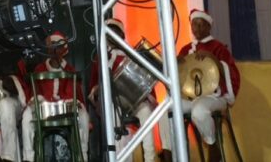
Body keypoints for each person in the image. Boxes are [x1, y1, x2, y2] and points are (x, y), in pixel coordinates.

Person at [159, 9, 239, 162]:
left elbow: (230, 72)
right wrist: (176, 65)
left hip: (215, 97)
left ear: (209, 27)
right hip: (191, 98)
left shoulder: (218, 47)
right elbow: (177, 79)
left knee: (199, 110)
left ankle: (212, 145)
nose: (197, 28)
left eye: (201, 25)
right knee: (165, 107)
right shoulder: (186, 49)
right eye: (194, 25)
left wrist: (212, 58)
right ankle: (168, 153)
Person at [88, 19, 156, 162]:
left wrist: (149, 96)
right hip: (113, 103)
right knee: (114, 117)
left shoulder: (132, 54)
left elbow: (144, 80)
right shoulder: (99, 58)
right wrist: (97, 91)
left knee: (146, 113)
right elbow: (93, 87)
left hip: (135, 101)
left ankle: (150, 158)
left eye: (115, 32)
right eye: (109, 33)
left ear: (121, 34)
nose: (112, 36)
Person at [21, 32, 89, 162]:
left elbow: (75, 96)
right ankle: (28, 158)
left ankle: (83, 155)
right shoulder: (39, 68)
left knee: (84, 116)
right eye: (53, 46)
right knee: (27, 117)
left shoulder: (70, 69)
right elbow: (34, 94)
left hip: (65, 110)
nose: (55, 50)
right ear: (48, 49)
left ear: (64, 50)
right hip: (43, 110)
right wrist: (39, 101)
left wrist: (69, 103)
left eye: (59, 47)